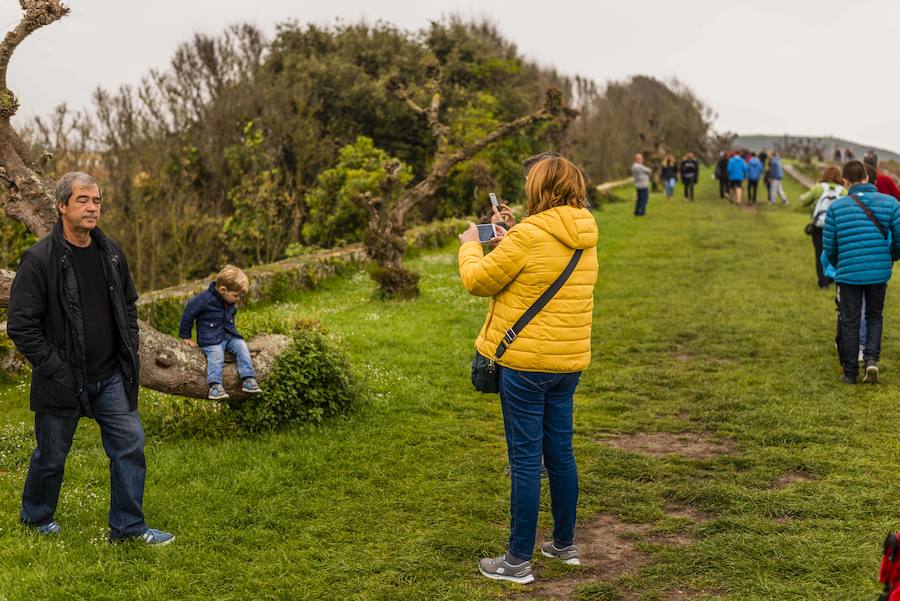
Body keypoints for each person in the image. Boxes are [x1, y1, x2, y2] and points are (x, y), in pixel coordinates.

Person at [7, 171, 173, 545]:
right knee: (50, 456)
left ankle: (128, 529)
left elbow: (128, 307)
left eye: (97, 200)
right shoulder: (38, 260)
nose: (92, 207)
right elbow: (21, 326)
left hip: (111, 374)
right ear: (61, 205)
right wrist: (56, 368)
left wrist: (128, 345)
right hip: (62, 378)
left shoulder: (111, 253)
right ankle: (36, 517)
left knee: (129, 446)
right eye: (83, 200)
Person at [458, 155, 598, 584]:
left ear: (540, 187)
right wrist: (512, 235)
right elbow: (537, 269)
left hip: (525, 364)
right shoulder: (586, 231)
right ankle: (563, 544)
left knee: (523, 460)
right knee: (560, 454)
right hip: (567, 361)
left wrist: (469, 243)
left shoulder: (528, 235)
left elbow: (479, 281)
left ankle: (516, 561)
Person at [822, 160, 900, 384]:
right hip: (878, 272)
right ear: (867, 177)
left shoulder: (837, 208)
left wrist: (841, 263)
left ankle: (849, 372)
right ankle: (871, 361)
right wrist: (892, 255)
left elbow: (830, 246)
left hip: (848, 273)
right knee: (874, 316)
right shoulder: (891, 203)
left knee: (849, 321)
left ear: (845, 181)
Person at [179, 265, 261, 400]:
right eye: (236, 295)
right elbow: (188, 313)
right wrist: (185, 336)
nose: (238, 299)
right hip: (210, 339)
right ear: (223, 289)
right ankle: (215, 386)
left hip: (228, 335)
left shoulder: (228, 300)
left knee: (242, 346)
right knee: (217, 356)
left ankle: (248, 378)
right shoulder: (203, 300)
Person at [800, 166, 845, 288]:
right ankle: (832, 276)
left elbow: (804, 201)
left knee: (819, 252)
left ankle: (823, 282)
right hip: (836, 227)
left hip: (819, 226)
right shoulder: (843, 191)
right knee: (835, 253)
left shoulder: (818, 188)